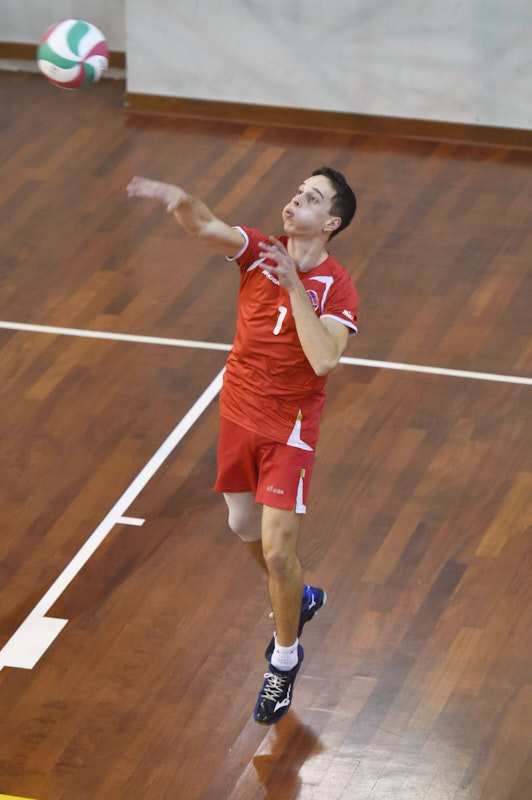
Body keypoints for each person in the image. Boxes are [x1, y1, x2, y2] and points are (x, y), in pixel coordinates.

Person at [127, 166, 359, 724]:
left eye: (311, 199)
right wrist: (179, 196)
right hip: (238, 409)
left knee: (278, 553)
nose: (295, 201)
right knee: (240, 524)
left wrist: (295, 286)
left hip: (289, 426)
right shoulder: (257, 251)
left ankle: (284, 660)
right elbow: (205, 226)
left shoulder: (338, 286)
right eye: (297, 192)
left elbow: (324, 358)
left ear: (331, 223)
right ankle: (300, 597)